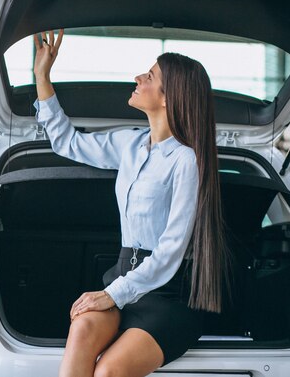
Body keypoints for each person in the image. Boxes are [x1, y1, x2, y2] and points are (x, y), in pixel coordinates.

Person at [32, 29, 229, 377]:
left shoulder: (186, 161)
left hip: (169, 293)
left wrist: (113, 294)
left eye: (149, 76)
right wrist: (42, 77)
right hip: (122, 274)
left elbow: (170, 250)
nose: (137, 78)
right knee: (81, 327)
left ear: (169, 98)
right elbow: (67, 143)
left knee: (109, 371)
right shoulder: (131, 145)